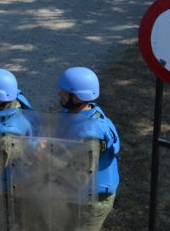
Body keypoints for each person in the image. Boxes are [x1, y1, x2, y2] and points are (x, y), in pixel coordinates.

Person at [57, 66, 120, 230]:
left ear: (77, 97)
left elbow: (80, 173)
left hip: (93, 198)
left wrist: (44, 154)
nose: (59, 94)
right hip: (76, 191)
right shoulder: (74, 113)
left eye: (64, 92)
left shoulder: (91, 134)